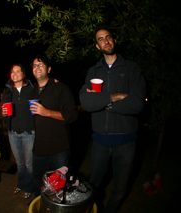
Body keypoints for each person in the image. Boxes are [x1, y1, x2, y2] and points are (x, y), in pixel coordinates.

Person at [79, 27, 146, 213]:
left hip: (126, 142)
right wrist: (114, 97)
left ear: (114, 40)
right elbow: (86, 102)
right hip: (100, 142)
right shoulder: (93, 71)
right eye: (101, 39)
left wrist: (102, 101)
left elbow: (137, 103)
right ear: (97, 45)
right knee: (92, 185)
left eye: (108, 37)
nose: (106, 41)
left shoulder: (131, 68)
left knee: (120, 189)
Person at [30, 54, 78, 197]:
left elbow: (73, 115)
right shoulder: (32, 91)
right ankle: (40, 205)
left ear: (49, 69)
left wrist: (47, 112)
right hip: (39, 148)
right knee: (39, 183)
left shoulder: (60, 88)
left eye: (41, 64)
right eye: (34, 65)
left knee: (60, 185)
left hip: (59, 148)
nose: (37, 67)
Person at [1, 64, 35, 199]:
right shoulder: (7, 90)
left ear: (23, 74)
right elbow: (2, 108)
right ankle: (21, 184)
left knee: (29, 164)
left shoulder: (32, 88)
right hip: (13, 132)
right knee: (19, 163)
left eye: (17, 70)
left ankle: (29, 187)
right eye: (12, 71)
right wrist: (2, 112)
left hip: (29, 132)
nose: (14, 73)